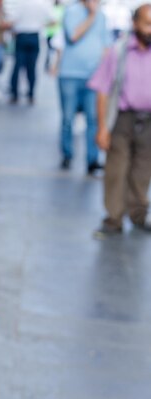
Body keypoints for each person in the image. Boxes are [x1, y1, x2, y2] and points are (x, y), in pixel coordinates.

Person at [89, 4, 151, 237]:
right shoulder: (119, 51)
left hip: (149, 121)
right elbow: (102, 90)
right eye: (147, 23)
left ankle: (139, 214)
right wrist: (102, 127)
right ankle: (113, 218)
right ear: (135, 24)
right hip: (123, 119)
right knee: (116, 169)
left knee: (143, 170)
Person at [58, 0, 111, 174]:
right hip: (70, 75)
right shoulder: (72, 12)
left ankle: (92, 159)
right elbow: (73, 36)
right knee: (68, 118)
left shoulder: (102, 16)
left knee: (93, 119)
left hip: (94, 76)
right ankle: (67, 154)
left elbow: (107, 46)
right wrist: (91, 15)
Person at [9, 0, 54, 105]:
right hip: (34, 36)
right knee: (32, 68)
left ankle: (14, 94)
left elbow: (12, 20)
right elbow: (53, 21)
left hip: (21, 37)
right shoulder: (43, 4)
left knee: (17, 66)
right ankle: (31, 95)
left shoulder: (21, 3)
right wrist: (40, 24)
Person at [45, 0, 65, 71]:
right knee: (51, 51)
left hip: (56, 33)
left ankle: (54, 66)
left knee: (55, 51)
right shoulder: (51, 9)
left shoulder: (62, 9)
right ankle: (51, 66)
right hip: (50, 33)